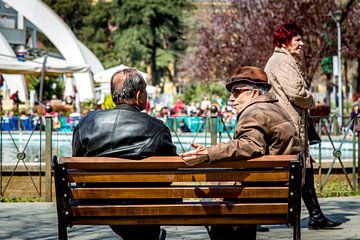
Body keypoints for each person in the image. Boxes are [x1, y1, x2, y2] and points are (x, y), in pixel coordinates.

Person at [180, 66, 301, 240]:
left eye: (237, 92)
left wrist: (209, 152)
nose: (231, 98)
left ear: (254, 93)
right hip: (280, 195)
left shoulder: (255, 112)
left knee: (214, 203)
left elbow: (250, 145)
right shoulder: (277, 110)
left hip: (258, 198)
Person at [72, 68, 176, 240]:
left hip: (94, 201)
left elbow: (77, 167)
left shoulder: (86, 123)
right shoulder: (157, 128)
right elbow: (169, 175)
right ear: (138, 96)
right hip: (142, 203)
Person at [264, 22, 341, 229]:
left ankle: (316, 215)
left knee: (302, 168)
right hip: (288, 124)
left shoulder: (283, 60)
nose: (302, 43)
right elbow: (297, 93)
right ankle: (257, 215)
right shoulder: (281, 61)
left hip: (290, 123)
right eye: (297, 39)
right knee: (291, 169)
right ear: (284, 40)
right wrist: (311, 99)